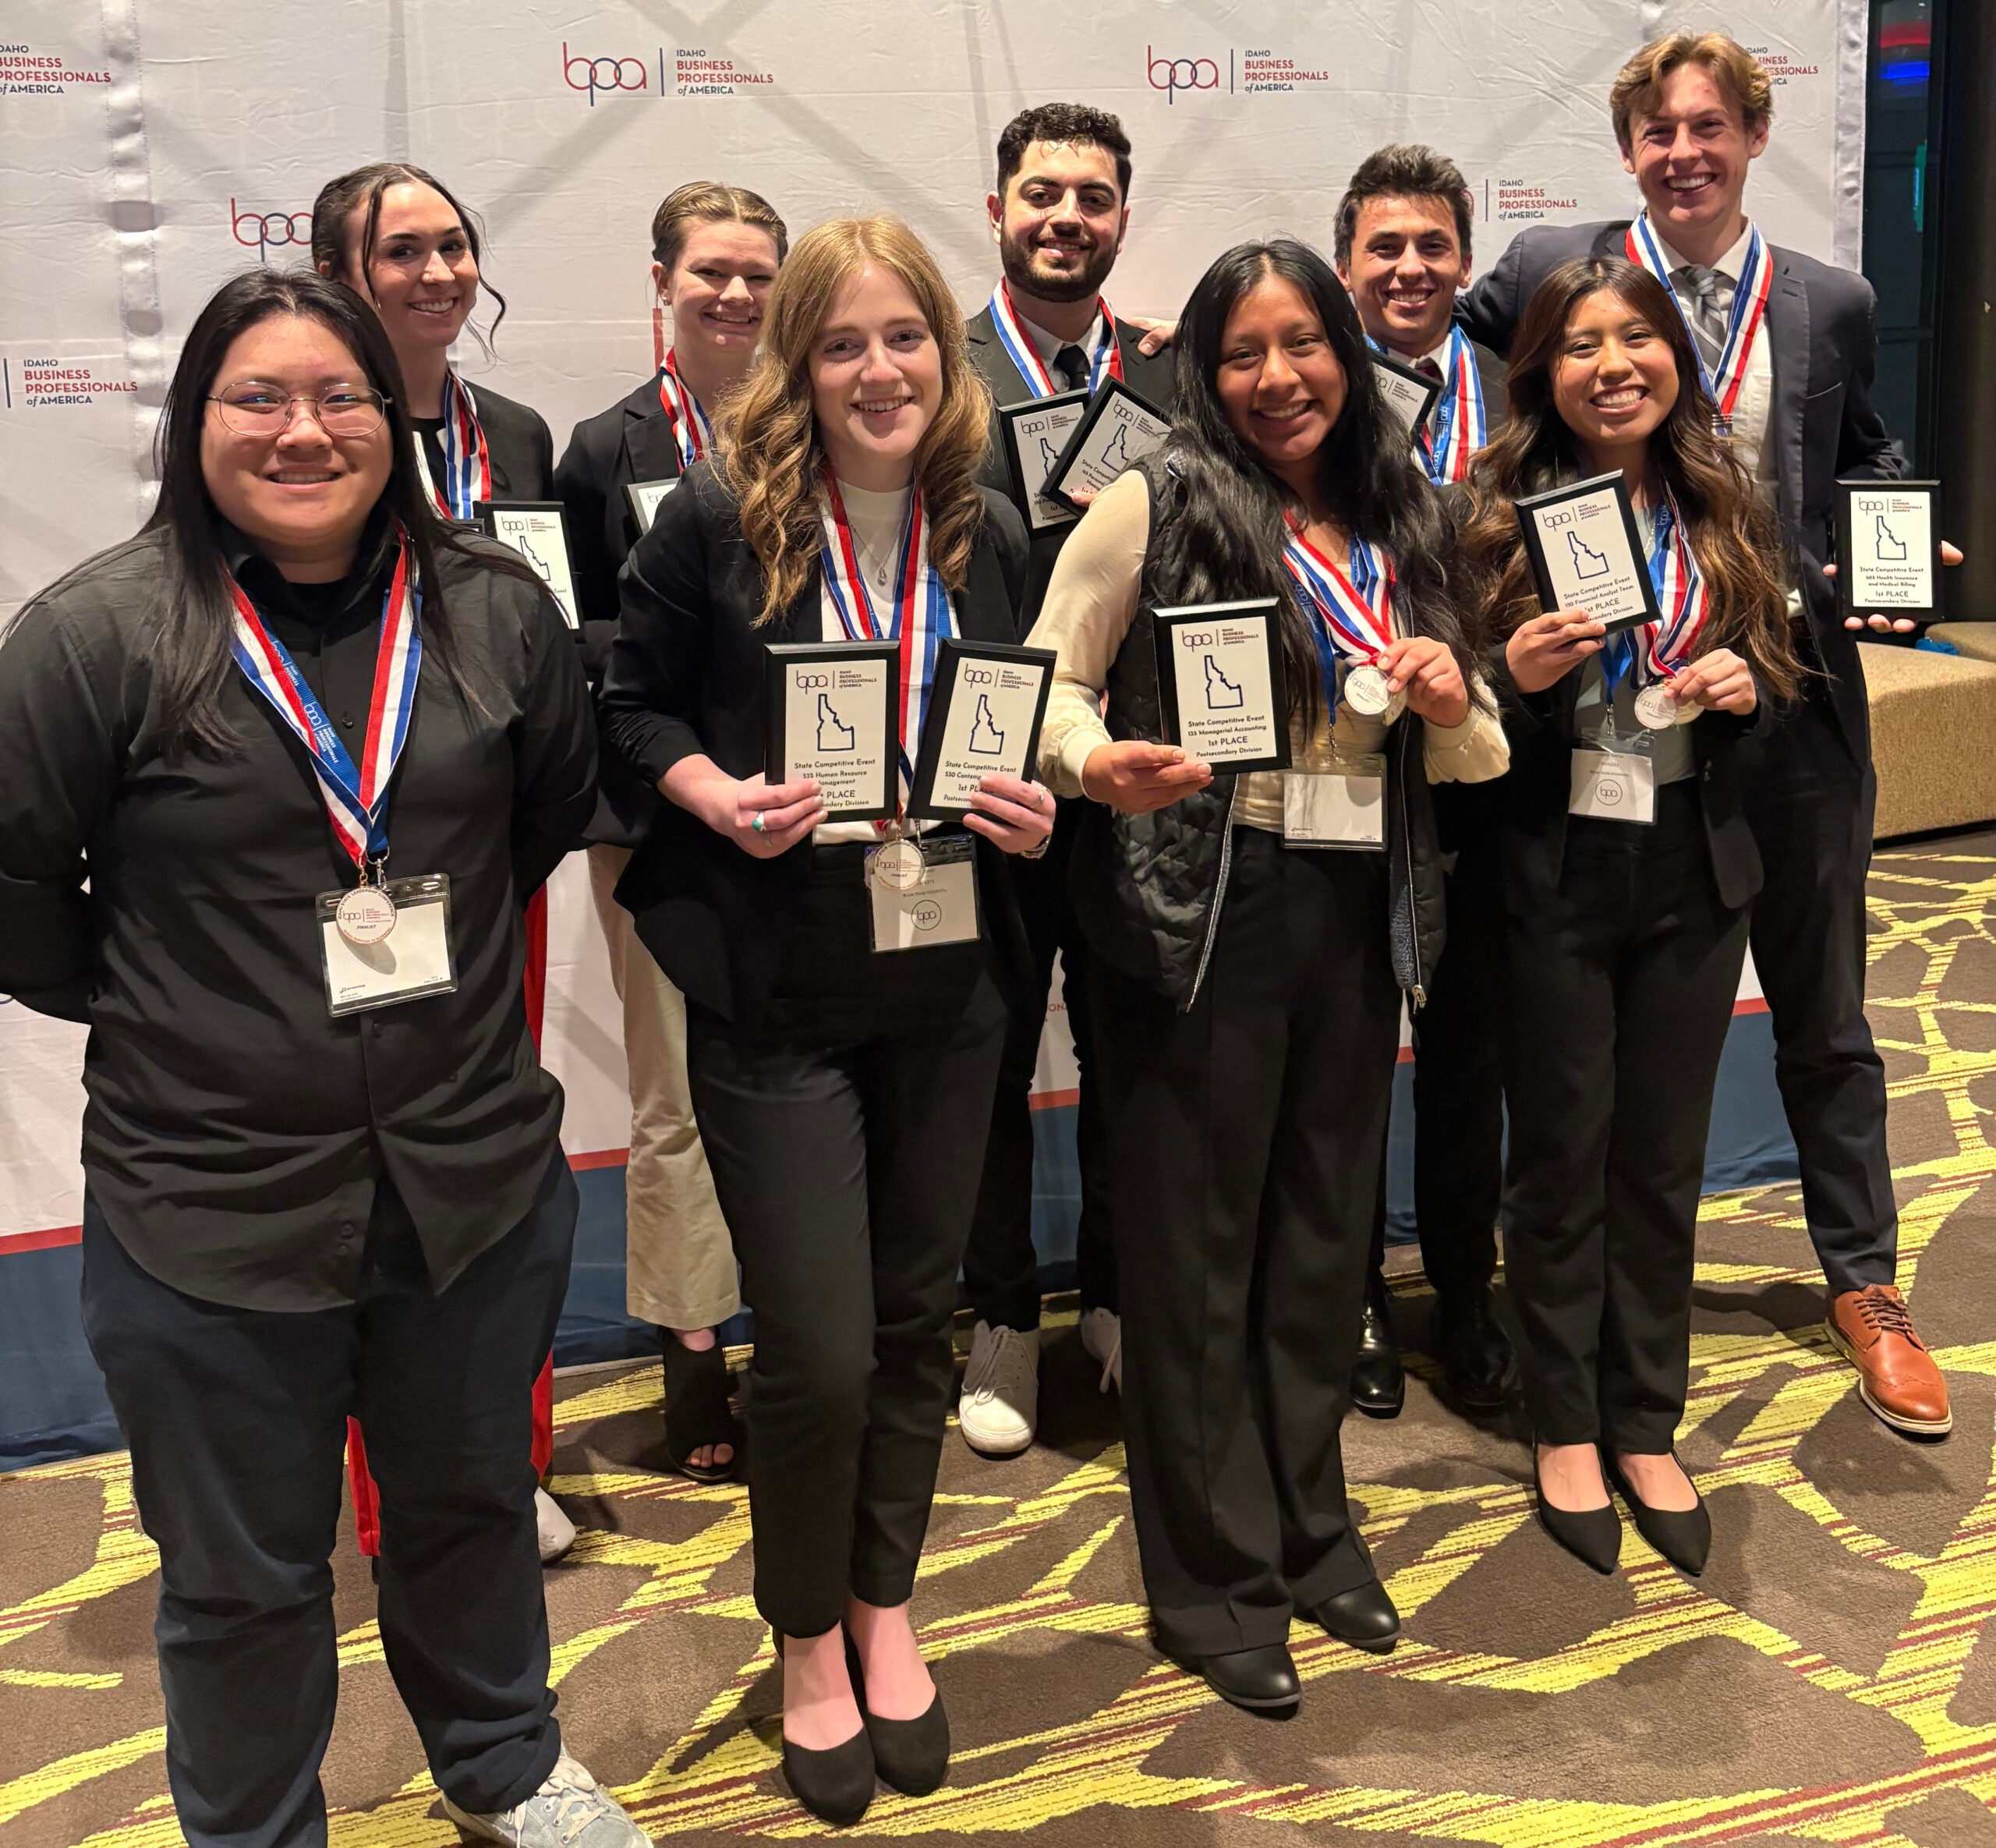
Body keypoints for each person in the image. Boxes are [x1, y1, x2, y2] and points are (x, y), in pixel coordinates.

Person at [0, 269, 641, 1848]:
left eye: (340, 396)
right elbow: (16, 905)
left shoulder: (491, 609)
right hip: (209, 1203)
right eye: (257, 400)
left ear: (395, 414)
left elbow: (545, 811)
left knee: (469, 1512)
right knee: (242, 1578)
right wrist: (198, 1006)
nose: (303, 431)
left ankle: (497, 1762)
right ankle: (253, 1828)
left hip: (470, 1182)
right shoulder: (92, 637)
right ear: (192, 423)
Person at [599, 215, 1049, 1823]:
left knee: (910, 1324)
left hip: (947, 983)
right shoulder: (719, 517)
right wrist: (714, 793)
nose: (879, 370)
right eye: (844, 343)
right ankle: (802, 1638)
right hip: (775, 988)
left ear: (948, 354)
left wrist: (1031, 803)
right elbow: (627, 703)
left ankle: (883, 1601)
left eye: (906, 338)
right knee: (812, 1351)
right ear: (798, 362)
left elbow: (1012, 716)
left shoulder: (983, 526)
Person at [1026, 238, 1507, 1712]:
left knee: (1319, 1243)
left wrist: (1450, 692)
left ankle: (1311, 1523)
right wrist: (1098, 762)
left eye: (1304, 344)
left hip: (1356, 903)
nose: (1278, 377)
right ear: (1202, 371)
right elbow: (1049, 679)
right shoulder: (1149, 499)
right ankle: (1209, 1569)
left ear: (1344, 352)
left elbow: (1478, 744)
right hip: (1200, 910)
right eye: (1244, 353)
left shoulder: (1397, 506)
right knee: (1193, 1260)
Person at [1456, 31, 1956, 1437]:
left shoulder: (1832, 298)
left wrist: (1890, 559)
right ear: (1629, 149)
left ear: (1751, 138)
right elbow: (1444, 360)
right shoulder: (1556, 263)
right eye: (1658, 130)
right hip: (1607, 720)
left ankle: (1864, 1280)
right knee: (1596, 1025)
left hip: (1785, 709)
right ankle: (1562, 1300)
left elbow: (1858, 455)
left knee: (1827, 1007)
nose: (1684, 152)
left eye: (1709, 127)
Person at [1460, 255, 1803, 1574]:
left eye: (1637, 338)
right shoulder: (1492, 514)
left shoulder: (1723, 505)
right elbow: (1457, 725)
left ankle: (1644, 1414)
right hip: (1550, 873)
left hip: (1691, 872)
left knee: (1662, 1156)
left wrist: (1740, 683)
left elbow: (1779, 671)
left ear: (1675, 358)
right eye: (1581, 344)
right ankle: (1561, 1417)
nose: (1613, 364)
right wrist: (1517, 673)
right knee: (1560, 1157)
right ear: (1544, 370)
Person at [312, 159, 581, 1561]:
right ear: (337, 276)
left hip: (493, 856)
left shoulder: (518, 437)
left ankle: (508, 1452)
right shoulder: (313, 437)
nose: (436, 273)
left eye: (454, 246)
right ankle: (376, 1483)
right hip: (352, 863)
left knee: (499, 1156)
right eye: (400, 249)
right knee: (372, 1173)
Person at [555, 180, 787, 1482]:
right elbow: (584, 645)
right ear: (663, 280)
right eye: (712, 271)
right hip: (657, 813)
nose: (737, 296)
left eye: (760, 272)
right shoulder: (607, 447)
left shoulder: (828, 423)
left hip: (809, 802)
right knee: (674, 1094)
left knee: (807, 1071)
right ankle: (695, 1353)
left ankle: (807, 1333)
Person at [952, 104, 1174, 1456]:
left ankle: (1114, 1294)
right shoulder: (938, 362)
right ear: (997, 210)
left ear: (1120, 223)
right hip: (982, 777)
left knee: (1132, 1047)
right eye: (1042, 194)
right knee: (982, 1055)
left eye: (1092, 199)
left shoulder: (1163, 372)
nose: (1066, 218)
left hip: (1118, 769)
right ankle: (995, 1316)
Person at [1332, 143, 1516, 1419]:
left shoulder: (1527, 393)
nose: (1410, 268)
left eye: (1433, 246)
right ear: (1346, 261)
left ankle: (1463, 1284)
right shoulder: (1296, 391)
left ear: (1467, 258)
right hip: (1336, 777)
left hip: (1494, 774)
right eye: (1384, 247)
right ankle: (1349, 1294)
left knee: (1468, 1058)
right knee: (1341, 1059)